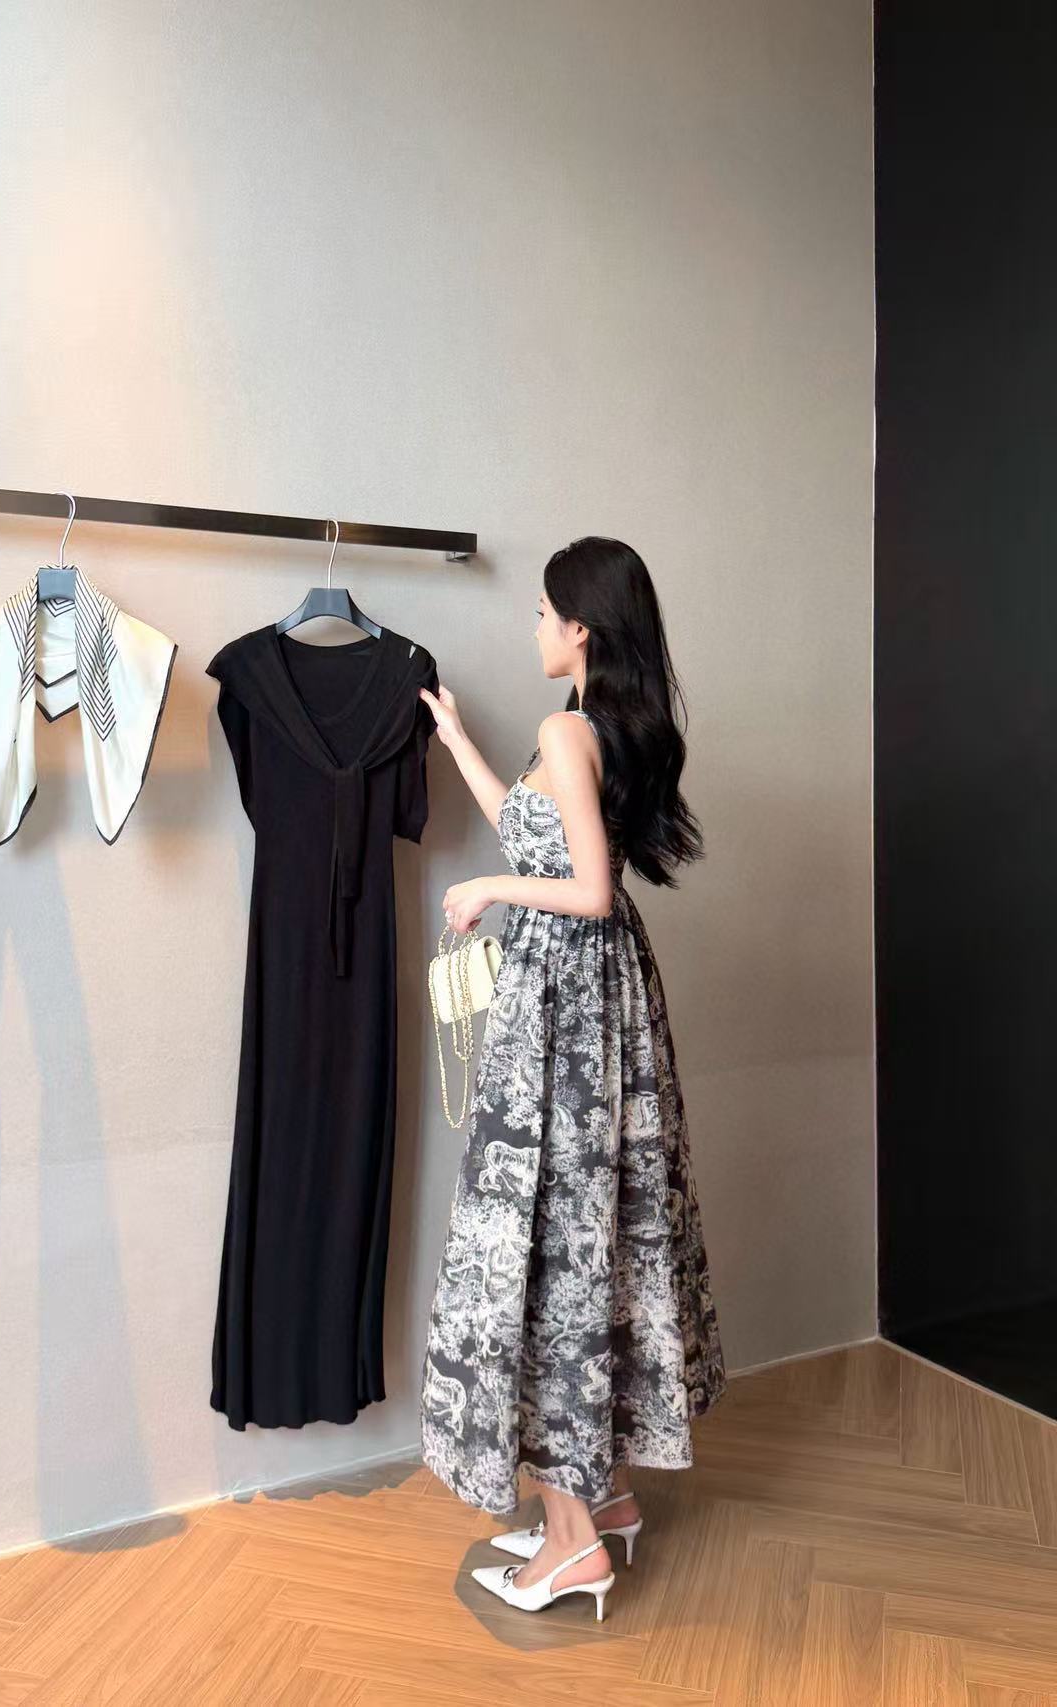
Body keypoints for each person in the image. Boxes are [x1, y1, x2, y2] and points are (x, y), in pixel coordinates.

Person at [416, 536, 727, 1623]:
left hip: (565, 1004)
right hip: (599, 1003)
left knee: (550, 1244)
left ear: (580, 626)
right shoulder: (598, 728)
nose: (535, 628)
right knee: (595, 1230)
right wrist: (458, 739)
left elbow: (585, 888)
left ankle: (571, 1544)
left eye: (545, 613)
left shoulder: (569, 729)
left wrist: (483, 892)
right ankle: (606, 1499)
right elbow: (539, 834)